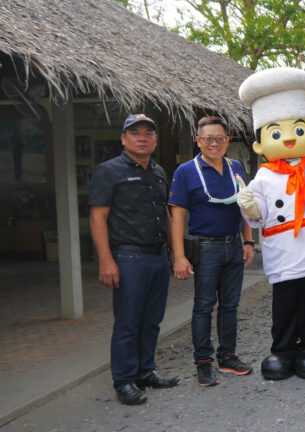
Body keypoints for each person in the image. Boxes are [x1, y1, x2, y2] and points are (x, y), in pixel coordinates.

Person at [236, 67, 305, 380]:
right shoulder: (263, 175)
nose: (288, 138)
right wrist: (250, 206)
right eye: (276, 133)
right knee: (284, 303)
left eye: (298, 130)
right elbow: (258, 214)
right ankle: (282, 350)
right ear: (260, 144)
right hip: (285, 251)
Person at [89, 114, 179, 406]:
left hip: (157, 258)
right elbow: (98, 217)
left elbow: (165, 214)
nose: (142, 137)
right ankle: (124, 381)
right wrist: (106, 260)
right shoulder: (109, 171)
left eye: (148, 133)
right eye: (135, 132)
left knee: (152, 320)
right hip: (128, 257)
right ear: (123, 139)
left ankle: (145, 371)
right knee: (128, 322)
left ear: (155, 139)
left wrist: (177, 254)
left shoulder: (158, 172)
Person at [169, 116, 255, 387]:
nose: (214, 144)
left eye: (219, 139)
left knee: (230, 305)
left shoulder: (236, 167)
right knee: (204, 306)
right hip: (205, 248)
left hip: (233, 246)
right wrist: (179, 255)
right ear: (198, 141)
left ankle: (227, 355)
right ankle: (203, 362)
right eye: (208, 139)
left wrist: (249, 241)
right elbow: (178, 216)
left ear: (227, 141)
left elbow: (245, 205)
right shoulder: (186, 171)